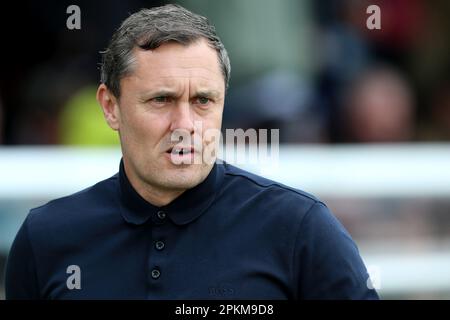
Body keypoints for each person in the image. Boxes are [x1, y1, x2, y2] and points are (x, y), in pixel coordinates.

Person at [5, 4, 378, 299]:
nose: (184, 124)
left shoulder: (300, 229)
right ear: (110, 107)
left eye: (202, 100)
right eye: (161, 99)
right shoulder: (47, 238)